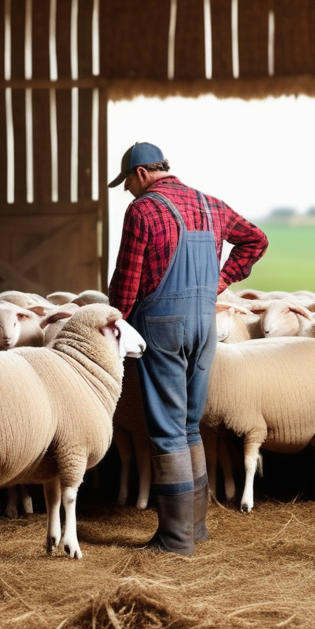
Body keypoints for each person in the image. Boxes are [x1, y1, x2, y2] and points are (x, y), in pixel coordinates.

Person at [107, 141, 268, 555]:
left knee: (166, 431)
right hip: (204, 324)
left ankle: (175, 540)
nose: (127, 190)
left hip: (161, 326)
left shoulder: (143, 209)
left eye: (126, 181)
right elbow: (256, 240)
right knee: (190, 426)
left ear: (141, 174)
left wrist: (113, 322)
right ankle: (195, 529)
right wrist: (219, 281)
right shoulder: (210, 204)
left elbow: (128, 278)